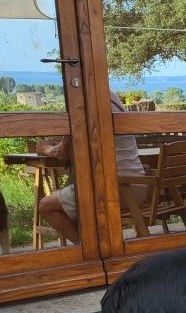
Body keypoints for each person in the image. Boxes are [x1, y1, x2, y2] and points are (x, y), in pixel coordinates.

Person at [37, 91, 147, 244]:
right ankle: (95, 243)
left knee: (46, 206)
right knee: (79, 196)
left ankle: (87, 247)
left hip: (114, 190)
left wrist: (45, 148)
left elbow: (62, 153)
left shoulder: (82, 104)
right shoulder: (113, 101)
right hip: (139, 188)